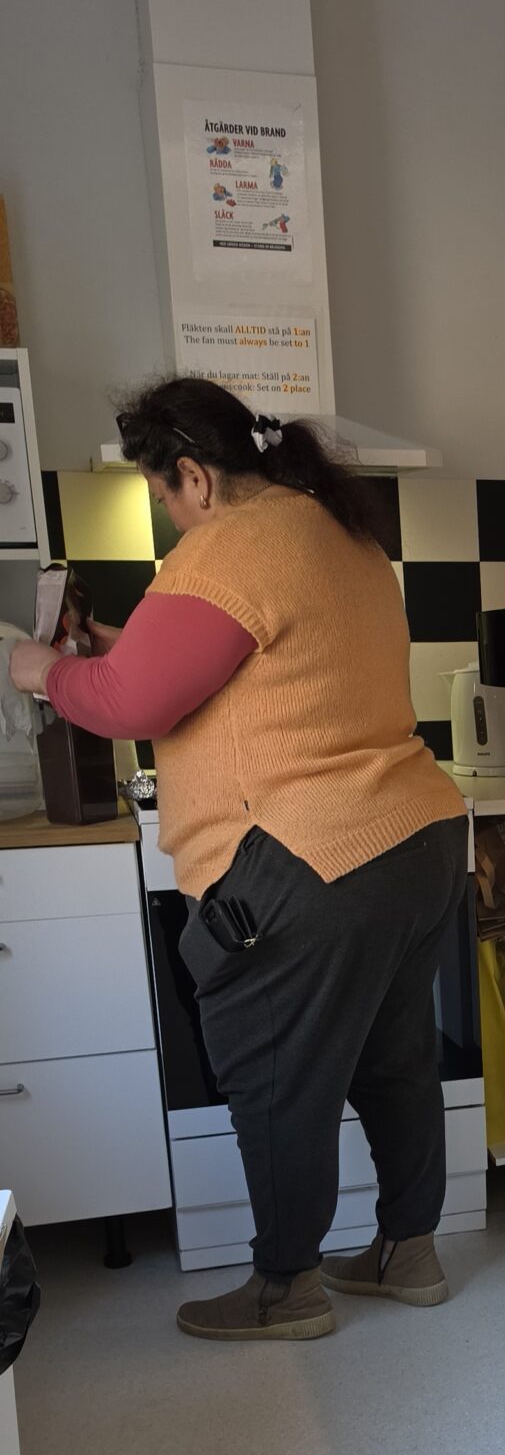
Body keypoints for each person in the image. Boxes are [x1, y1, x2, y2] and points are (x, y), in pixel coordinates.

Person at [8, 378, 469, 1345]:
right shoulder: (336, 529)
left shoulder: (228, 546)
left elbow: (132, 705)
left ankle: (284, 1289)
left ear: (195, 475)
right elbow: (241, 663)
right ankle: (409, 1252)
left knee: (276, 1079)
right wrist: (112, 647)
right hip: (412, 839)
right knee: (394, 1062)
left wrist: (41, 669)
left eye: (164, 497)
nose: (170, 516)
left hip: (306, 860)